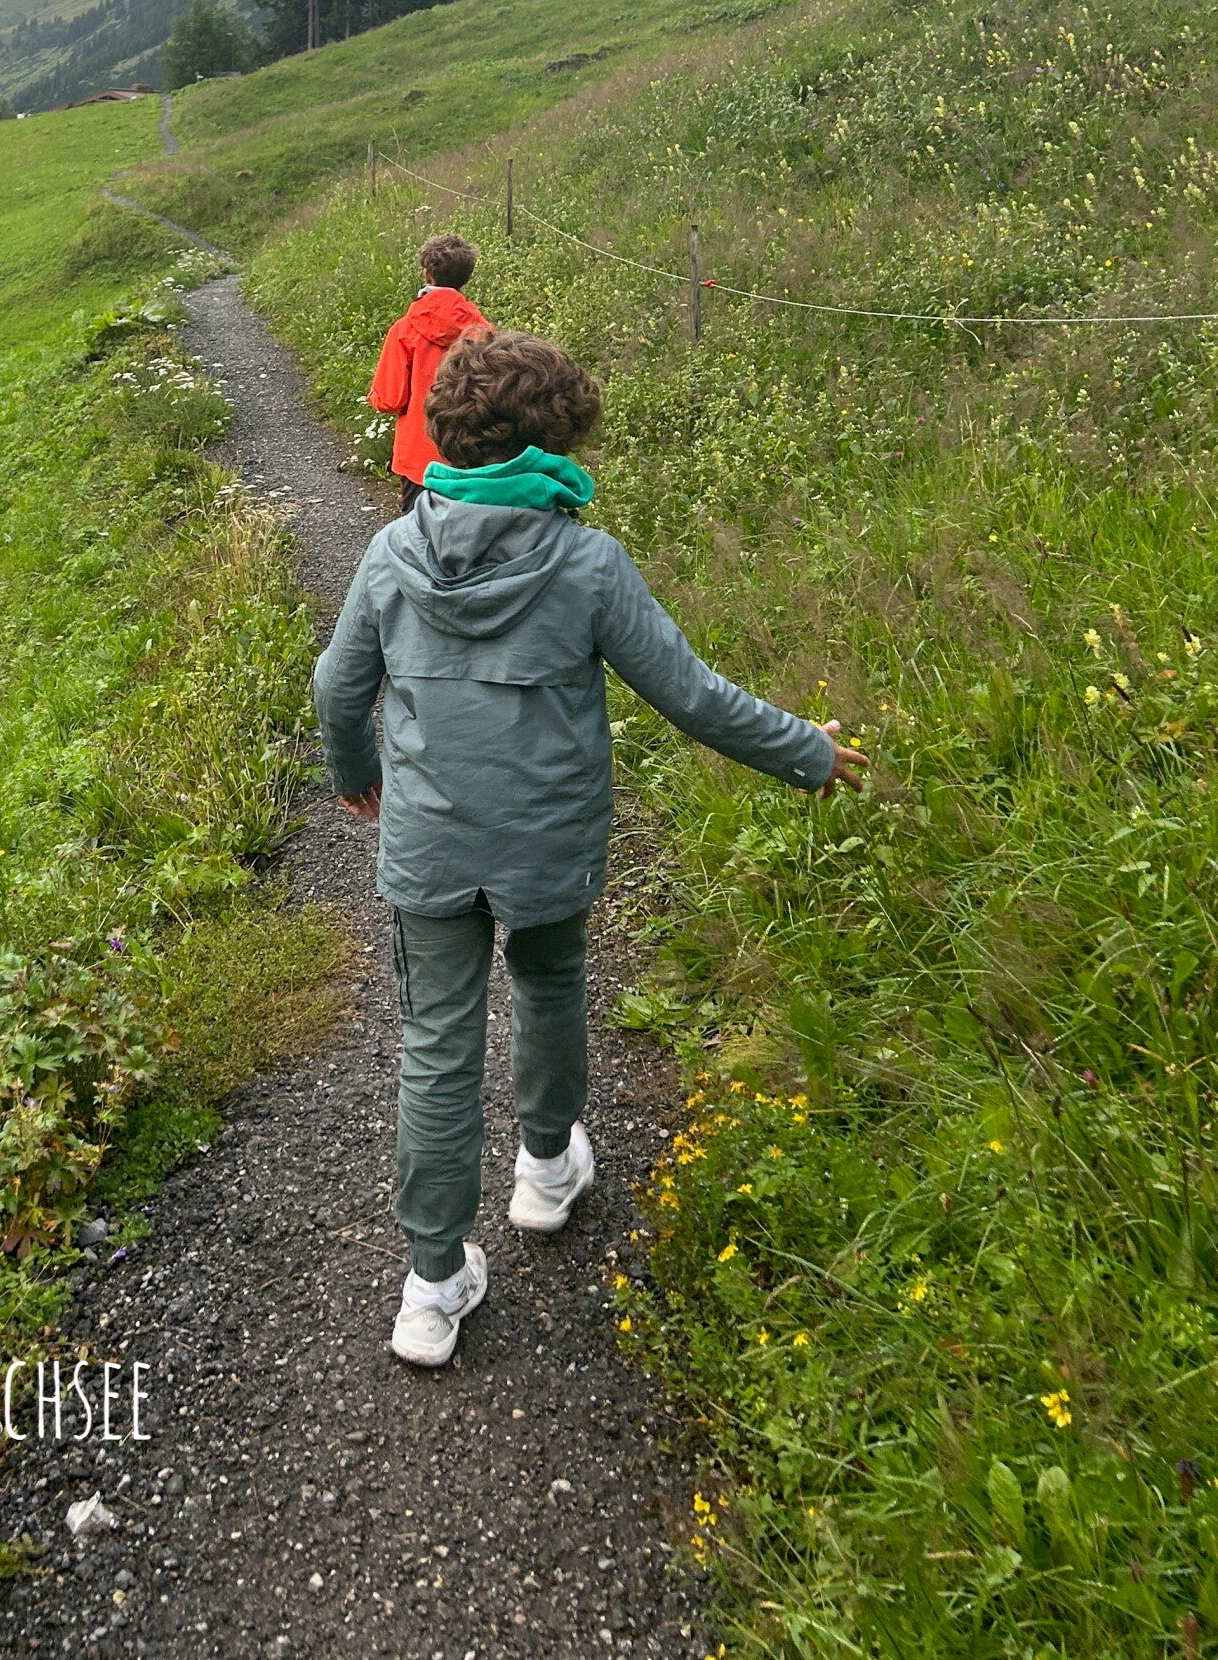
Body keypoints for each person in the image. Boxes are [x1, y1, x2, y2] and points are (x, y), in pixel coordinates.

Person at [313, 328, 867, 1367]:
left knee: (436, 1046)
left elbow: (337, 689)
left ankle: (432, 1285)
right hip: (547, 834)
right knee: (553, 981)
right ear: (558, 432)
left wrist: (354, 774)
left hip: (430, 843)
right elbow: (692, 695)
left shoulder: (393, 555)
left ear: (448, 433)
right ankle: (543, 1170)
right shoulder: (585, 563)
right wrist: (808, 751)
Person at [368, 233, 491, 513]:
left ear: (427, 274)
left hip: (419, 459)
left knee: (417, 542)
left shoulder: (405, 329)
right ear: (466, 278)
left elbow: (389, 399)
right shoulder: (484, 332)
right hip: (470, 457)